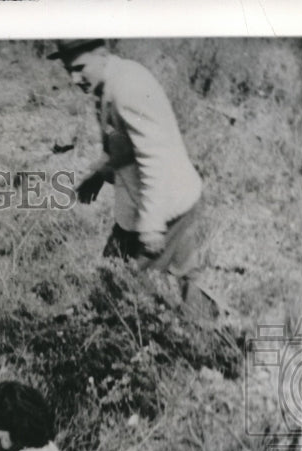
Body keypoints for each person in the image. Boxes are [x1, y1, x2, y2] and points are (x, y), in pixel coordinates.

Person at [48, 39, 219, 321]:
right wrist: (99, 175)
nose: (74, 79)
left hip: (164, 206)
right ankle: (211, 334)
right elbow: (122, 146)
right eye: (69, 70)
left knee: (124, 286)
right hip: (145, 203)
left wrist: (152, 226)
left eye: (79, 68)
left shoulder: (128, 88)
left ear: (101, 54)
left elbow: (154, 157)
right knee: (137, 277)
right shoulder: (109, 84)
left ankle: (197, 342)